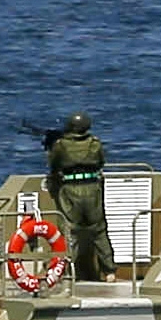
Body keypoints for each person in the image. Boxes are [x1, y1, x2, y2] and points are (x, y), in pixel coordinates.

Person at [41, 113, 109, 278]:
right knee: (99, 231)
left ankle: (66, 270)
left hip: (70, 189)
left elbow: (53, 164)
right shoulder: (95, 144)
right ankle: (109, 271)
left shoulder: (61, 145)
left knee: (69, 231)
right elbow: (101, 162)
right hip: (93, 189)